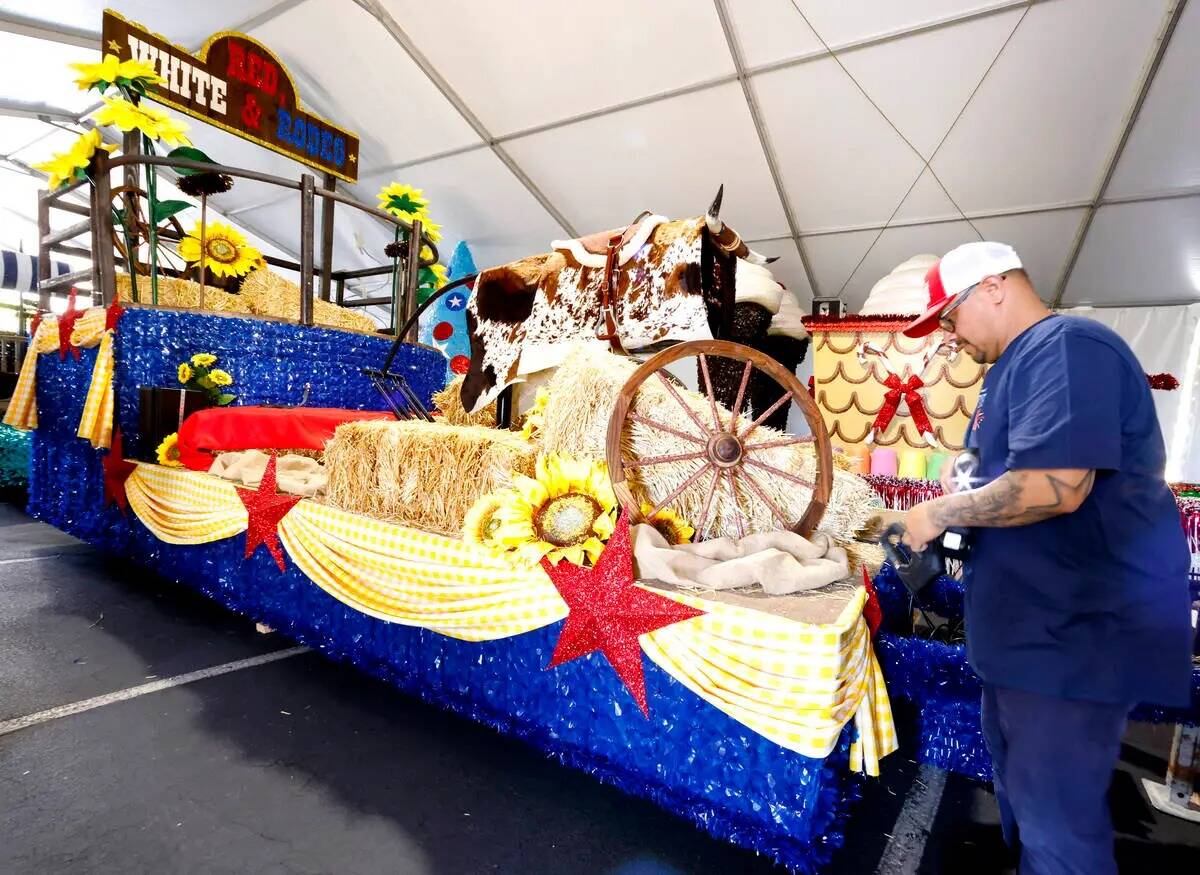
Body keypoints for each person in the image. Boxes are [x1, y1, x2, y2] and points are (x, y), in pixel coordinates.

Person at [900, 241, 1193, 875]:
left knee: (1057, 826)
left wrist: (936, 515)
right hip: (1026, 640)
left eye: (950, 316)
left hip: (1068, 644)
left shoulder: (1065, 347)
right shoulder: (1011, 369)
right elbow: (1001, 480)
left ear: (993, 287)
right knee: (1028, 805)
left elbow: (1055, 485)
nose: (950, 335)